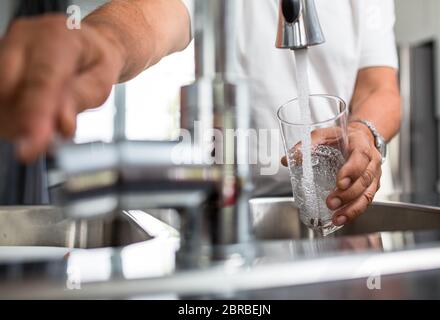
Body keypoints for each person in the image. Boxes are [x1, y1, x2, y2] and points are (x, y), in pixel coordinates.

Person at [0, 0, 401, 226]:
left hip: (335, 207)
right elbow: (151, 17)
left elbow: (381, 87)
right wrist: (100, 42)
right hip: (224, 208)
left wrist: (365, 131)